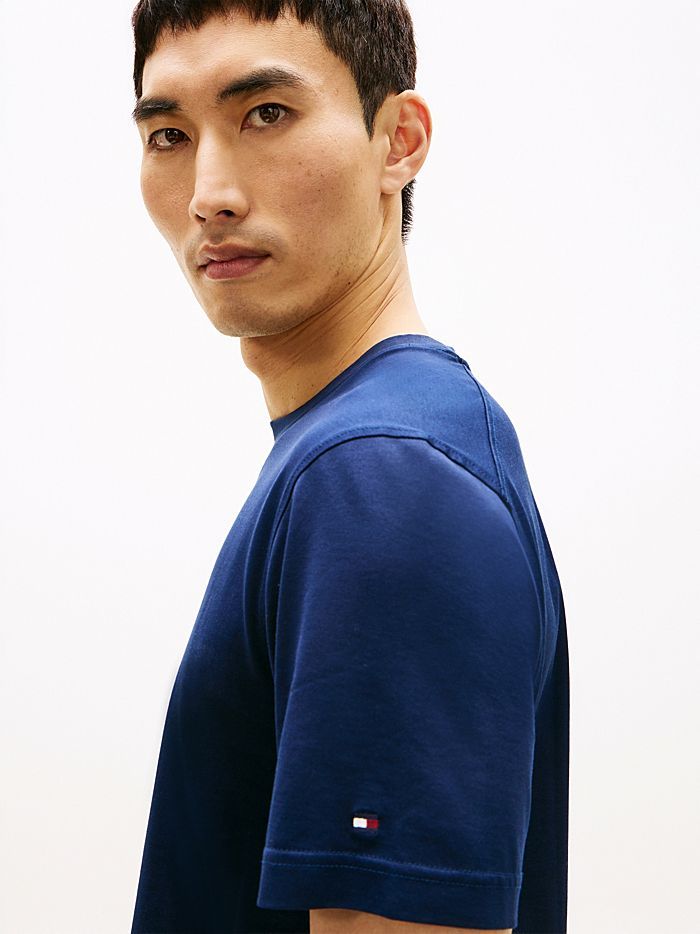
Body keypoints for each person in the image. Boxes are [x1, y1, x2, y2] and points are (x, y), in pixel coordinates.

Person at [128, 2, 570, 933]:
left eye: (266, 114)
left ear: (397, 141)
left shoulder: (381, 481)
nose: (210, 193)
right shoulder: (379, 453)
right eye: (169, 135)